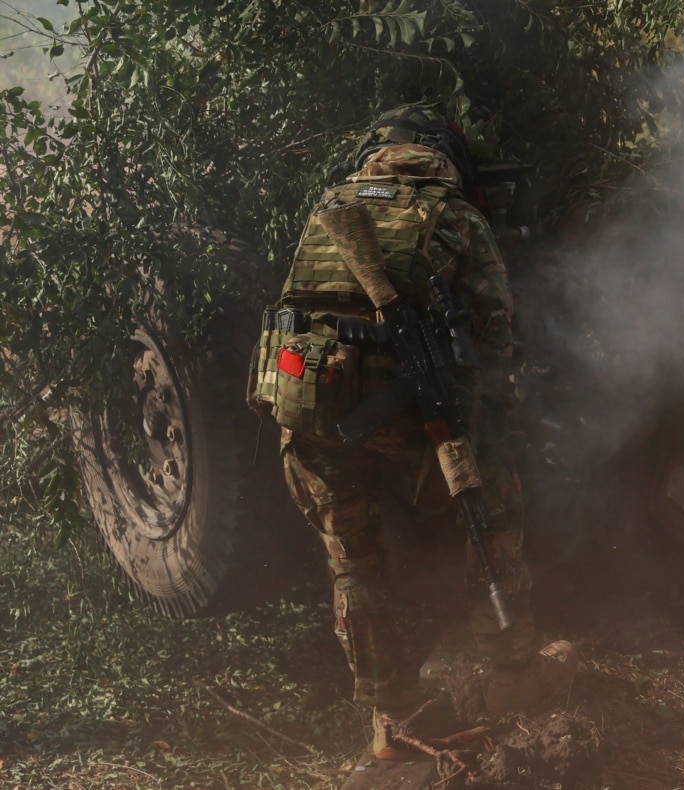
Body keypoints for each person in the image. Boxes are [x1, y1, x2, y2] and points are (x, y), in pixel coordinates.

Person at [265, 105, 577, 760]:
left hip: (309, 401)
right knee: (487, 513)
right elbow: (495, 330)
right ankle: (514, 676)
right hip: (402, 401)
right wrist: (487, 415)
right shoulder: (458, 217)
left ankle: (390, 717)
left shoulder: (329, 205)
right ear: (443, 159)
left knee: (352, 561)